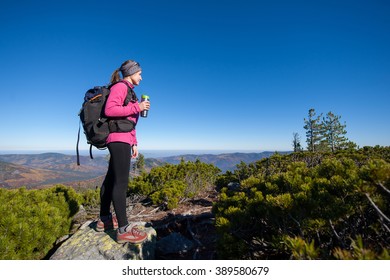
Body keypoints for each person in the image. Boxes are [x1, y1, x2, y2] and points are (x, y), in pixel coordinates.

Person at [95, 59, 150, 244]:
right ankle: (124, 230)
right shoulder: (120, 87)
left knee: (111, 179)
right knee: (121, 183)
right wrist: (138, 107)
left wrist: (134, 142)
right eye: (139, 73)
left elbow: (130, 122)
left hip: (124, 139)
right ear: (131, 73)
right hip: (118, 139)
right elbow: (110, 110)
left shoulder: (130, 92)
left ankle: (104, 220)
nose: (141, 77)